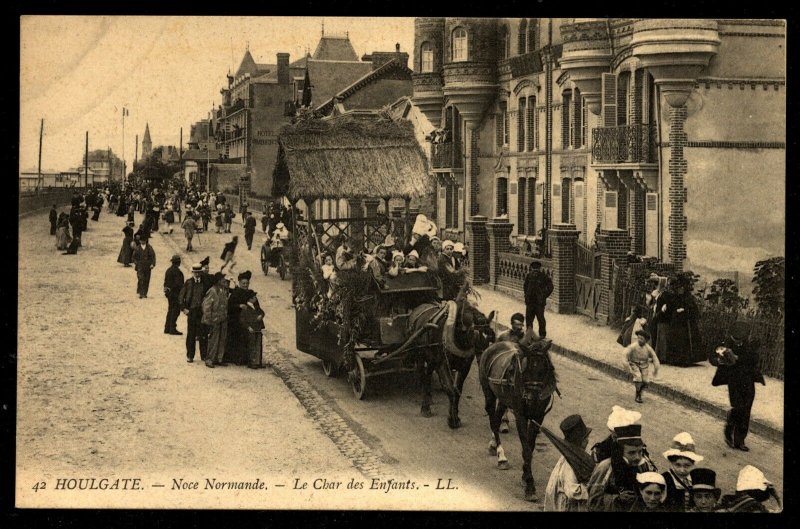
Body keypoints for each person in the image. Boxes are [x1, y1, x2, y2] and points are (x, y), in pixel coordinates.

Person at [711, 320, 765, 451]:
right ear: (732, 337)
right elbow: (712, 358)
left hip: (748, 380)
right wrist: (719, 360)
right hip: (733, 380)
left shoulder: (750, 345)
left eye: (741, 340)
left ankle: (740, 441)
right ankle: (730, 428)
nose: (739, 342)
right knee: (738, 407)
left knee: (746, 409)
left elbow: (754, 359)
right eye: (736, 340)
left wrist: (738, 358)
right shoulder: (724, 344)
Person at [587, 423, 659, 511]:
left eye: (640, 452)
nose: (637, 457)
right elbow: (593, 501)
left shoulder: (643, 465)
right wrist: (617, 499)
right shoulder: (605, 467)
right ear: (620, 452)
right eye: (631, 453)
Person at [543, 414, 593, 512]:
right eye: (585, 438)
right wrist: (591, 489)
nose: (588, 441)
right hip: (566, 506)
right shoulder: (568, 465)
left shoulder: (574, 456)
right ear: (579, 441)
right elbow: (572, 491)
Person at [658, 275, 703, 366]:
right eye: (679, 287)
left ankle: (685, 360)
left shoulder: (688, 297)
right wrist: (667, 307)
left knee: (684, 339)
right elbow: (671, 305)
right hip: (676, 321)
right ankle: (675, 359)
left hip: (686, 323)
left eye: (682, 287)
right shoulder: (675, 296)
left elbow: (694, 310)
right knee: (676, 338)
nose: (680, 289)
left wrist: (685, 310)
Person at [661, 432, 704, 512]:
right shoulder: (665, 479)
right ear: (671, 462)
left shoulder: (695, 478)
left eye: (687, 466)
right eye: (677, 465)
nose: (682, 470)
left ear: (693, 463)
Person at [180, 263, 211, 363]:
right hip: (192, 311)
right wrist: (184, 308)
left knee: (203, 333)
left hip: (202, 312)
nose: (197, 275)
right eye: (195, 273)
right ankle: (190, 356)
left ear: (201, 272)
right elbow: (181, 297)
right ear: (192, 273)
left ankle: (204, 355)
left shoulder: (205, 283)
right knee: (191, 334)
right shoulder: (189, 282)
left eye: (199, 273)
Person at [225, 271, 256, 365]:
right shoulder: (235, 293)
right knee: (237, 338)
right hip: (235, 319)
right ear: (239, 283)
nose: (245, 285)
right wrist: (239, 306)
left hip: (246, 320)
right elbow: (229, 306)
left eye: (247, 283)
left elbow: (256, 307)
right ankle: (236, 358)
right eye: (243, 283)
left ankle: (247, 358)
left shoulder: (251, 293)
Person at [624, 329, 661, 403]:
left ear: (646, 340)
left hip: (644, 365)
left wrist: (656, 368)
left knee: (645, 381)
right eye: (639, 338)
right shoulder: (633, 346)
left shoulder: (648, 348)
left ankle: (639, 391)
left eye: (642, 339)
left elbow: (655, 357)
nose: (640, 340)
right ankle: (638, 395)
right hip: (634, 363)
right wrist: (626, 365)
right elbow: (625, 354)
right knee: (638, 378)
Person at [202, 272, 229, 368]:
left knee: (222, 339)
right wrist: (209, 319)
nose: (225, 281)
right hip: (214, 319)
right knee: (213, 339)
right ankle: (209, 359)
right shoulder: (213, 291)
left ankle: (219, 358)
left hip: (223, 319)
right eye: (223, 280)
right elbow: (206, 306)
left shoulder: (224, 290)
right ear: (218, 281)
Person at [523, 260, 553, 338]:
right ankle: (529, 335)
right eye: (534, 268)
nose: (535, 270)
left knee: (541, 319)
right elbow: (525, 286)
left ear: (539, 269)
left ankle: (542, 335)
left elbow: (550, 287)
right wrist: (526, 295)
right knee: (529, 319)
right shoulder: (529, 276)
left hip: (539, 303)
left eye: (537, 269)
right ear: (531, 269)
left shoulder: (544, 276)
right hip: (530, 302)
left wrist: (544, 295)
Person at [239, 290, 266, 369]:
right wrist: (248, 327)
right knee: (252, 345)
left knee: (258, 345)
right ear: (250, 299)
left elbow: (262, 312)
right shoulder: (245, 308)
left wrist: (261, 315)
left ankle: (258, 361)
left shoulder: (256, 307)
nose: (255, 298)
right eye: (254, 297)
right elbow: (242, 320)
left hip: (258, 328)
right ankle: (252, 362)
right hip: (251, 329)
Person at [163, 254, 185, 335]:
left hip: (169, 294)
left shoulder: (168, 270)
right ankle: (172, 328)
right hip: (176, 294)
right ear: (178, 263)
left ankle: (167, 328)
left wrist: (167, 292)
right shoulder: (177, 272)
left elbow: (165, 283)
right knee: (175, 311)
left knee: (170, 310)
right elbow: (179, 284)